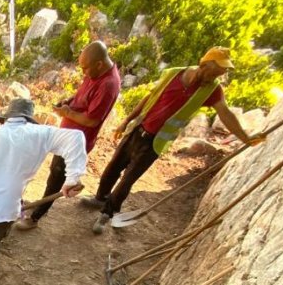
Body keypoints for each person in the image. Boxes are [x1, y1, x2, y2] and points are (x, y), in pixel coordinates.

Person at [81, 46, 267, 234]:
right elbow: (149, 97)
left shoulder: (213, 91)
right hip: (138, 131)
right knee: (112, 169)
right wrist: (127, 121)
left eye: (219, 74)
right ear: (204, 64)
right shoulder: (173, 74)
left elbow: (225, 114)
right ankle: (100, 198)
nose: (215, 78)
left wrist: (245, 138)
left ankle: (108, 213)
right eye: (214, 72)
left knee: (127, 180)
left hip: (155, 142)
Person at [0, 98, 87, 284]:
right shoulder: (40, 134)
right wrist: (73, 178)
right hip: (6, 204)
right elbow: (76, 137)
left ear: (7, 117)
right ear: (28, 118)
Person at [17, 41, 121, 230]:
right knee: (51, 172)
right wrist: (69, 102)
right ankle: (32, 208)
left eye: (86, 68)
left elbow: (92, 120)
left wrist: (67, 113)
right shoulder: (94, 72)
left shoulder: (108, 85)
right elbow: (83, 96)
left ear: (99, 64)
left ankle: (35, 217)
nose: (84, 73)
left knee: (56, 179)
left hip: (75, 142)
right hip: (65, 134)